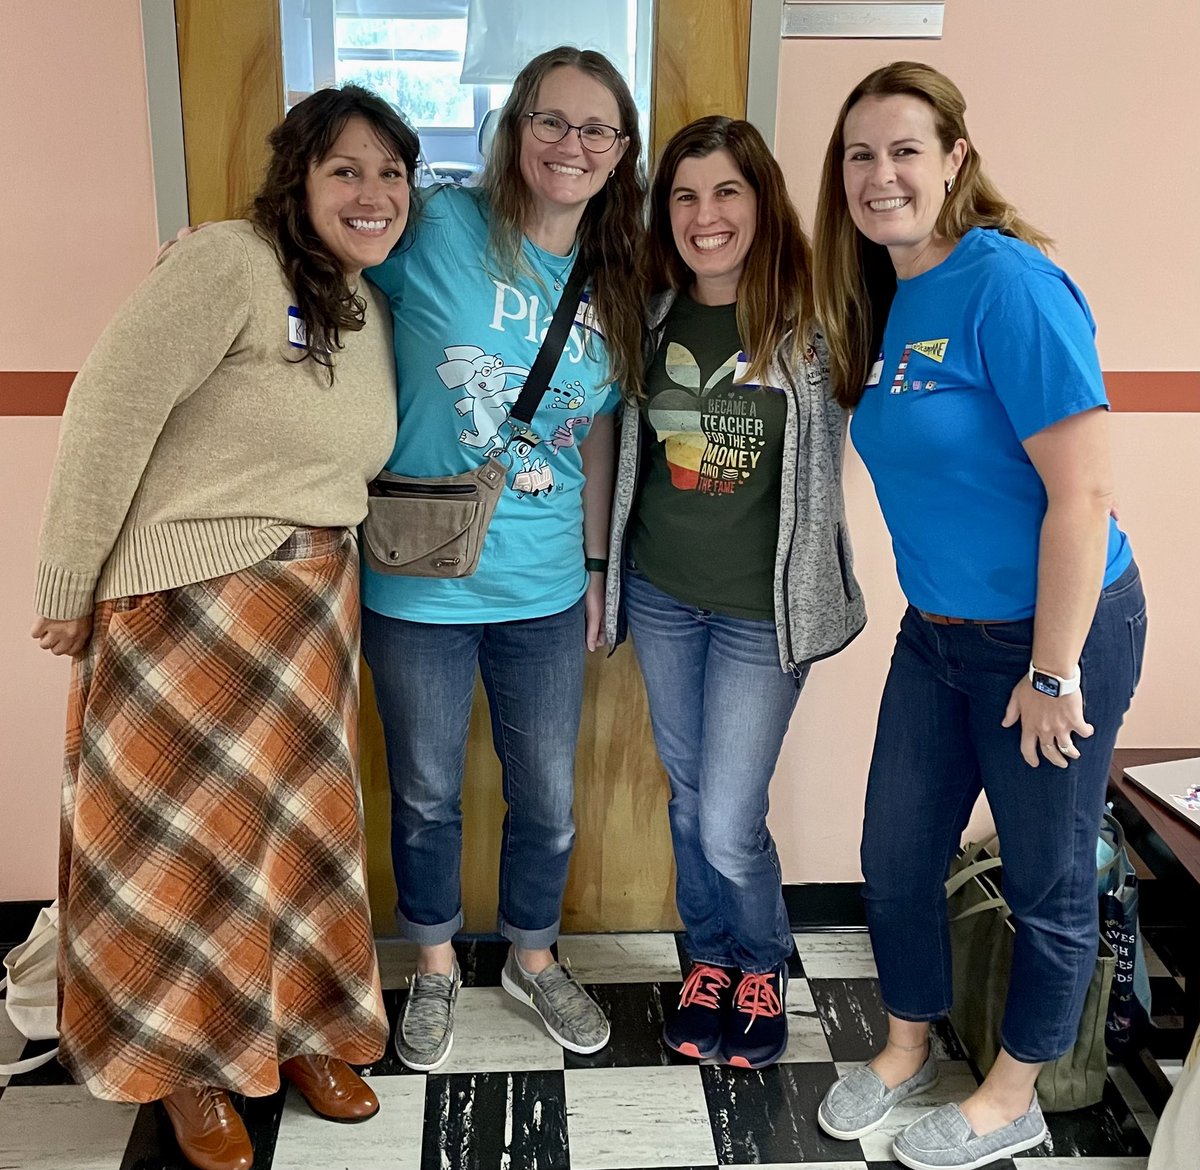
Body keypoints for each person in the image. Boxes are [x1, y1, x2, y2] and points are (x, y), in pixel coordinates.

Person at [31, 85, 418, 1170]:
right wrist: (66, 583)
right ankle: (185, 1067)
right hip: (187, 603)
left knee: (295, 845)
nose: (372, 192)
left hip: (312, 612)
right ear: (296, 175)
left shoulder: (362, 297)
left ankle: (298, 1032)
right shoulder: (226, 264)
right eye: (345, 169)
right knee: (181, 853)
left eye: (392, 173)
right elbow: (109, 404)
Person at [811, 62, 1146, 1170]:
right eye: (859, 154)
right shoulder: (889, 291)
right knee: (896, 854)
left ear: (955, 158)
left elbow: (1083, 494)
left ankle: (1017, 1093)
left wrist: (1053, 671)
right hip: (940, 630)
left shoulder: (1010, 283)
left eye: (904, 149)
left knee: (1046, 878)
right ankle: (906, 1044)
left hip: (1055, 632)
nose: (880, 175)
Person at [360, 46, 647, 1071]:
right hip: (416, 577)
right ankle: (433, 964)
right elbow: (328, 247)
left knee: (551, 799)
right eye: (552, 121)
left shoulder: (618, 281)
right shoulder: (436, 225)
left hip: (544, 588)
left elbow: (605, 430)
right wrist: (217, 249)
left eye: (596, 130)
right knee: (427, 791)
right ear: (516, 128)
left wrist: (600, 566)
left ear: (620, 155)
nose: (571, 145)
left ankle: (533, 956)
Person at [602, 116, 866, 1068]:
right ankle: (707, 958)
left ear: (762, 201)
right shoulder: (652, 310)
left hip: (765, 615)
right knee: (686, 800)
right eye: (683, 195)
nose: (704, 216)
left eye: (726, 193)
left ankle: (763, 963)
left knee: (726, 816)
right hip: (667, 596)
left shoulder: (819, 320)